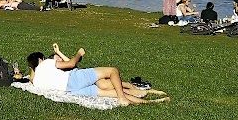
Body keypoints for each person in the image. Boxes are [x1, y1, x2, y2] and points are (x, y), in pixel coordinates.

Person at [26, 44, 168, 105]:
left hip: (69, 91)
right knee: (112, 71)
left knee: (109, 90)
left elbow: (31, 77)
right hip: (74, 80)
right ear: (41, 59)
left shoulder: (36, 79)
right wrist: (79, 54)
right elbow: (70, 64)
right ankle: (122, 98)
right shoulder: (47, 63)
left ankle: (151, 102)